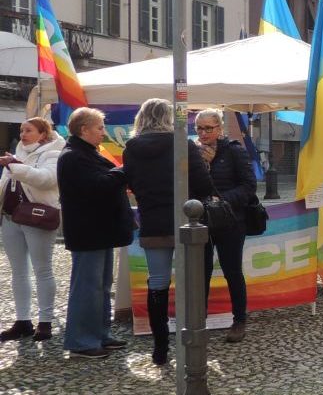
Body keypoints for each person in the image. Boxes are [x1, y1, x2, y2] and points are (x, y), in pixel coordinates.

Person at [121, 99, 215, 365]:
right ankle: (191, 339)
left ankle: (160, 348)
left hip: (153, 221)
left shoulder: (131, 148)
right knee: (191, 282)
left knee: (158, 283)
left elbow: (130, 182)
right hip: (186, 220)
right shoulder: (182, 143)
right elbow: (203, 185)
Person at [58, 107, 135, 359]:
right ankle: (81, 341)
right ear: (84, 130)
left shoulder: (86, 153)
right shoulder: (73, 156)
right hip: (88, 232)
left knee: (101, 286)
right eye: (100, 128)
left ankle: (100, 333)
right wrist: (124, 170)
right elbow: (97, 186)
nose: (103, 133)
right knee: (87, 288)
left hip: (100, 231)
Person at [195, 109, 258, 343]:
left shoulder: (234, 151)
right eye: (199, 128)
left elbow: (249, 186)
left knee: (232, 270)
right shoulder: (193, 153)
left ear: (220, 129)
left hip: (231, 221)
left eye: (208, 128)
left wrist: (221, 201)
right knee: (200, 272)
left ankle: (239, 319)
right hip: (201, 222)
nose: (203, 133)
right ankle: (198, 321)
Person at [0, 117, 65, 343]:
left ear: (43, 134)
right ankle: (22, 320)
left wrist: (15, 165)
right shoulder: (17, 152)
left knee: (42, 270)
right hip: (10, 218)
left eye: (29, 130)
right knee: (18, 272)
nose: (23, 134)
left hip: (38, 217)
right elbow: (6, 186)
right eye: (21, 130)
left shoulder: (53, 153)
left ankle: (45, 321)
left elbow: (46, 180)